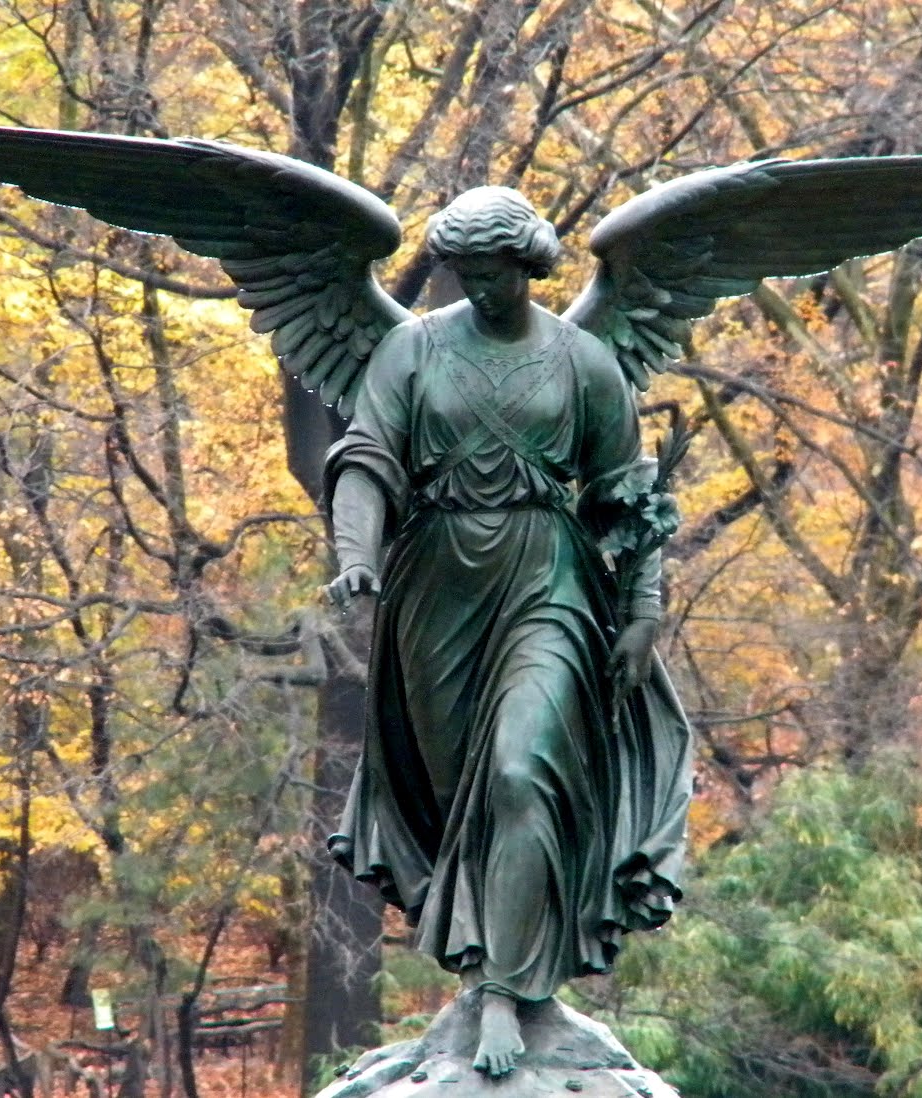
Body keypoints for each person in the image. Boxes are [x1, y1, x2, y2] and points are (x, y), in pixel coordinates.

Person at [323, 186, 692, 1078]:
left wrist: (642, 612)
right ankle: (482, 974)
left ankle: (504, 992)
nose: (478, 288)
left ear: (527, 264)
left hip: (547, 577)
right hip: (435, 591)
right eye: (465, 273)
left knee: (522, 773)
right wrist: (356, 555)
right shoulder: (412, 349)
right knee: (463, 800)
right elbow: (366, 458)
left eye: (493, 272)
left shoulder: (582, 361)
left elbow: (627, 495)